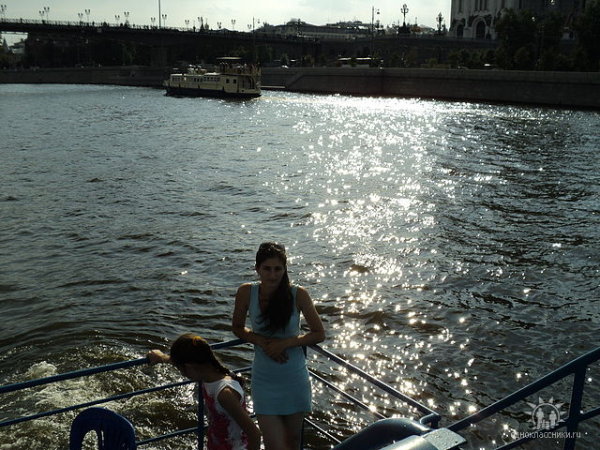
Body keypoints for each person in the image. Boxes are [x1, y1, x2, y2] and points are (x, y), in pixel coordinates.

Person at [232, 242, 326, 450]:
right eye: (267, 269)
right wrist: (263, 342)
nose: (273, 275)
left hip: (294, 378)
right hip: (264, 379)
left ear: (285, 269)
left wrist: (285, 344)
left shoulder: (298, 294)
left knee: (292, 442)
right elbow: (237, 327)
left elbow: (319, 333)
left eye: (278, 269)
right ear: (257, 268)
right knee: (274, 445)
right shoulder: (246, 292)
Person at [147, 333, 261, 450]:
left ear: (189, 367)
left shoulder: (224, 394)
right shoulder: (209, 375)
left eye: (181, 370)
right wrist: (161, 357)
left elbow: (255, 434)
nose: (182, 374)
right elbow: (178, 361)